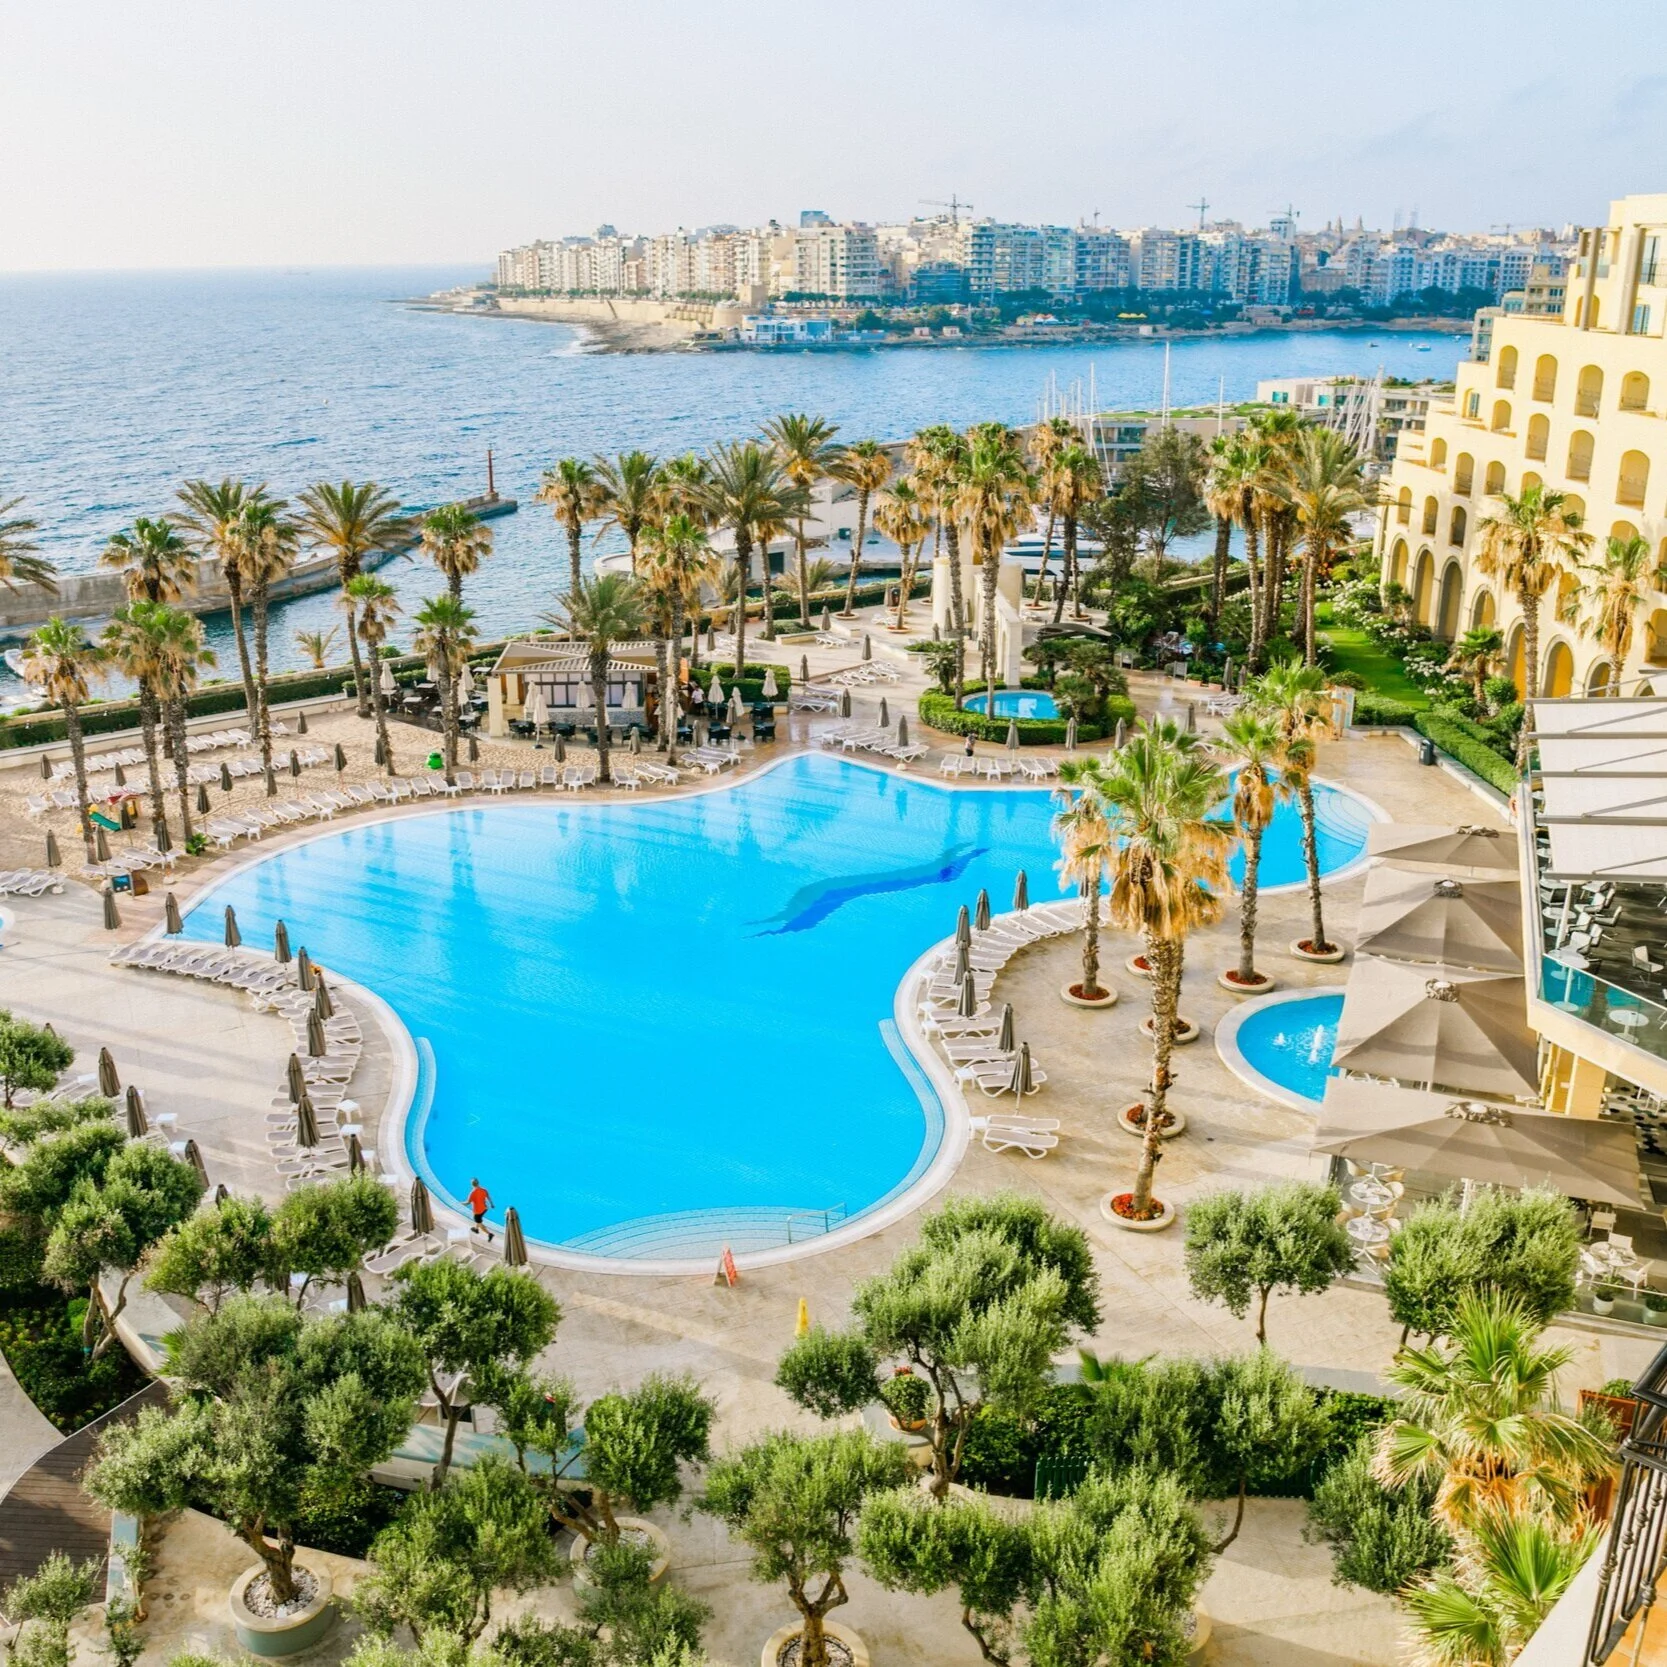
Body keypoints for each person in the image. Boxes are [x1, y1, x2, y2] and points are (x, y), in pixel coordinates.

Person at [466, 1177, 494, 1242]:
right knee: (478, 1220)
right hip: (485, 1209)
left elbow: (468, 1202)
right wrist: (492, 1204)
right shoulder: (484, 1190)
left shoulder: (472, 1193)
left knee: (480, 1223)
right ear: (478, 1183)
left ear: (472, 1185)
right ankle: (476, 1229)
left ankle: (489, 1234)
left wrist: (461, 1203)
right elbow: (488, 1197)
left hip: (477, 1212)